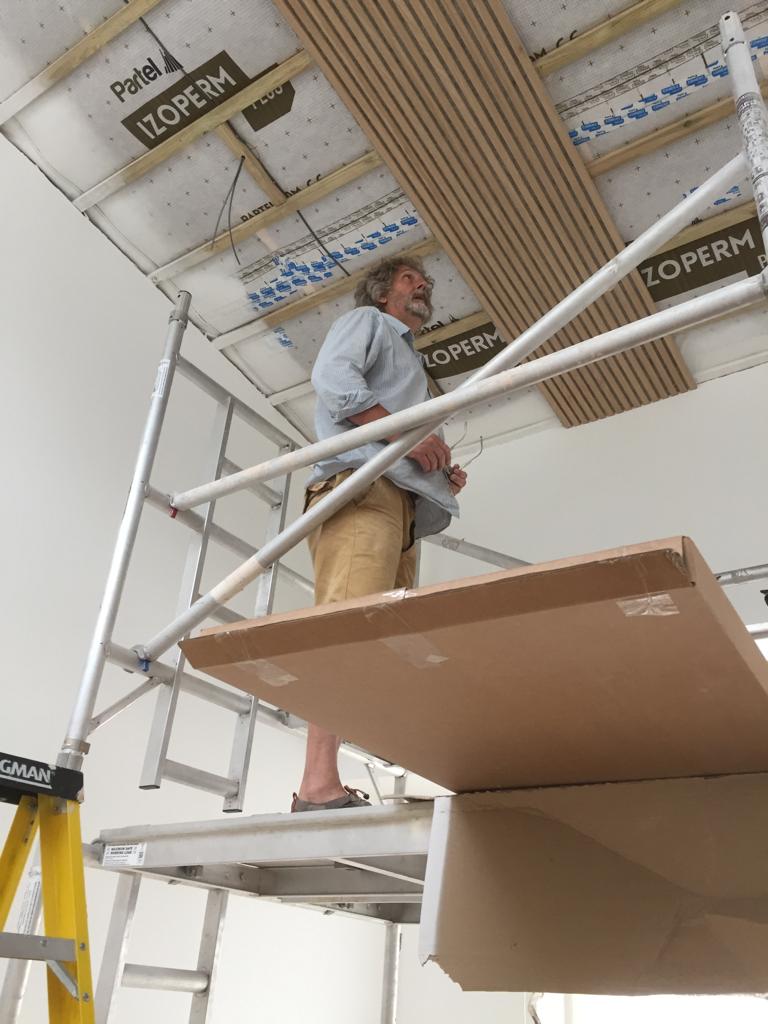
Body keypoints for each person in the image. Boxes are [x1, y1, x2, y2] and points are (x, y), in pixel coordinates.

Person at [291, 256, 468, 812]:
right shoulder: (367, 322)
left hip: (401, 503)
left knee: (375, 644)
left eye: (425, 281)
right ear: (383, 292)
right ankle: (316, 785)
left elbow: (403, 438)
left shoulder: (412, 367)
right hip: (363, 489)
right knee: (343, 628)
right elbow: (334, 381)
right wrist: (406, 437)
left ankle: (335, 777)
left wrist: (438, 473)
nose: (423, 286)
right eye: (410, 279)